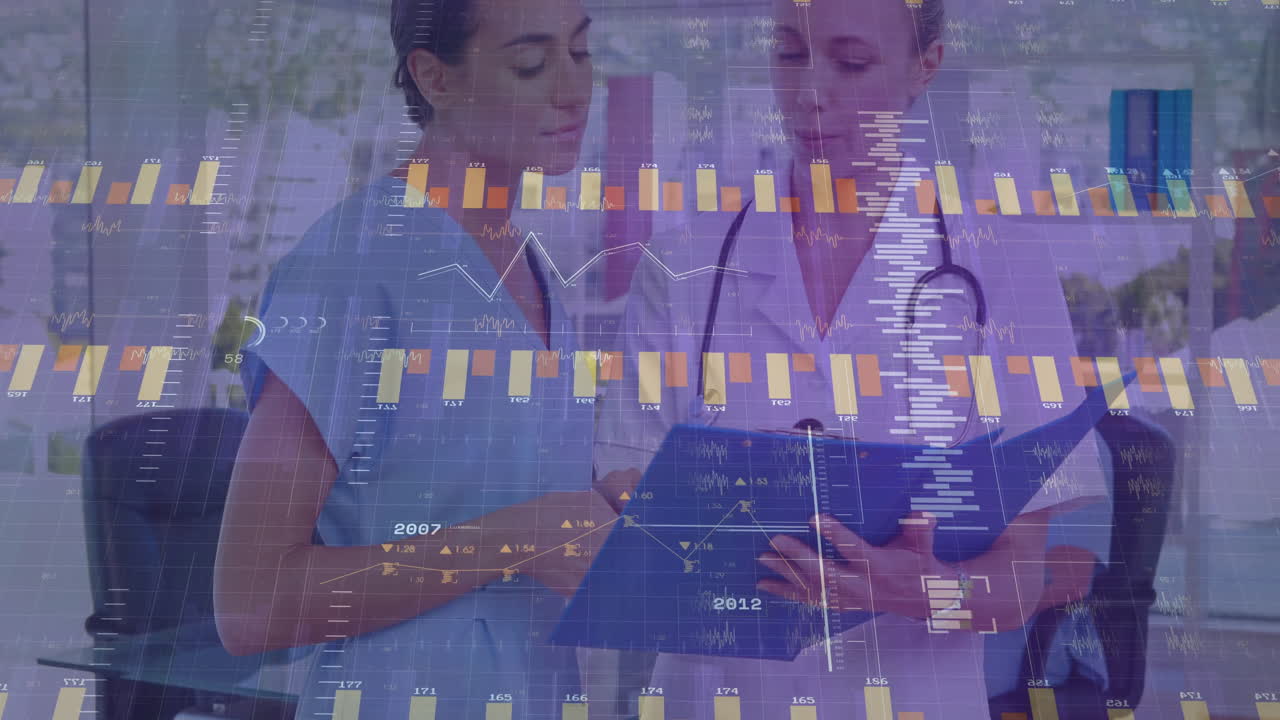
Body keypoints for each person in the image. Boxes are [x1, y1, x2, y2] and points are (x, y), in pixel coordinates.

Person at [591, 0, 1109, 716]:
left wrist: (911, 587)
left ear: (923, 67)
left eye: (852, 61)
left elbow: (1020, 581)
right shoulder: (684, 264)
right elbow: (625, 484)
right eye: (789, 53)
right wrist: (726, 490)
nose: (810, 91)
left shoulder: (1005, 267)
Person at [213, 1, 635, 717]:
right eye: (531, 62)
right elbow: (251, 605)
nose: (572, 88)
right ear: (435, 78)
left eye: (581, 52)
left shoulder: (533, 272)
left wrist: (595, 508)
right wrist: (517, 539)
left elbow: (473, 493)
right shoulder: (352, 271)